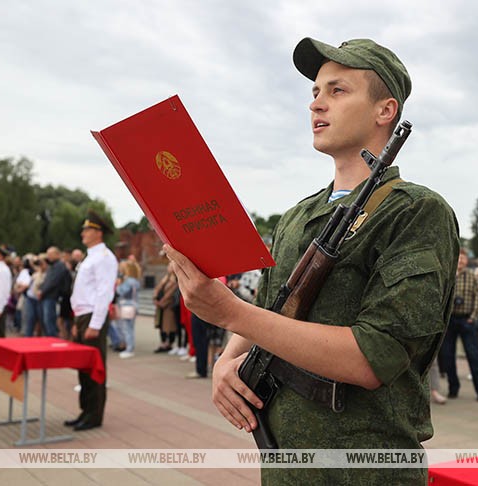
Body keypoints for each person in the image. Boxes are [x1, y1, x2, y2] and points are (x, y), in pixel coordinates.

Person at [164, 37, 458, 483]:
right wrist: (226, 363)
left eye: (337, 91)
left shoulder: (415, 212)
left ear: (386, 110)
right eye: (315, 93)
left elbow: (372, 357)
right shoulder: (298, 216)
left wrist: (227, 310)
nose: (316, 104)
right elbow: (267, 311)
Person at [65, 210, 118, 431]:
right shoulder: (91, 256)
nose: (83, 233)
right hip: (81, 316)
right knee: (83, 367)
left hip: (91, 317)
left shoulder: (105, 258)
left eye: (87, 229)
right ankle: (85, 410)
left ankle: (94, 416)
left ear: (98, 232)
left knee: (94, 367)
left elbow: (104, 293)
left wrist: (95, 324)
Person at [439, 249, 478, 401]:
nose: (461, 261)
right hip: (450, 320)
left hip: (467, 320)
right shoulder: (447, 275)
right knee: (448, 356)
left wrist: (473, 317)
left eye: (464, 259)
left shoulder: (473, 277)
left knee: (473, 356)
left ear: (467, 261)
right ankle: (453, 388)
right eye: (458, 258)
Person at [38, 247, 71, 337]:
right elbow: (46, 280)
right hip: (47, 296)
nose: (48, 256)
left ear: (57, 254)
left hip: (52, 297)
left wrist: (42, 291)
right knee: (46, 320)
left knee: (49, 321)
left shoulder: (59, 266)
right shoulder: (53, 266)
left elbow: (53, 282)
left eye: (50, 254)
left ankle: (52, 340)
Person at [114, 260, 141, 359]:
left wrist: (118, 285)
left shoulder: (128, 280)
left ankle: (129, 349)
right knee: (130, 328)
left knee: (127, 328)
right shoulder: (135, 280)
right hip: (133, 305)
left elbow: (121, 292)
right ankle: (130, 347)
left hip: (126, 305)